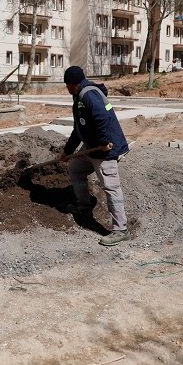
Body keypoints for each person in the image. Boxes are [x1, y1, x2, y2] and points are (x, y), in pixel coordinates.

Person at [60, 66, 131, 246]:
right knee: (76, 168)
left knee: (110, 186)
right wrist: (68, 152)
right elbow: (79, 130)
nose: (67, 89)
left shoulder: (89, 94)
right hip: (92, 146)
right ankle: (83, 206)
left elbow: (102, 119)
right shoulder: (79, 97)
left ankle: (121, 229)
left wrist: (104, 142)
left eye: (67, 85)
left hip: (106, 148)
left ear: (72, 84)